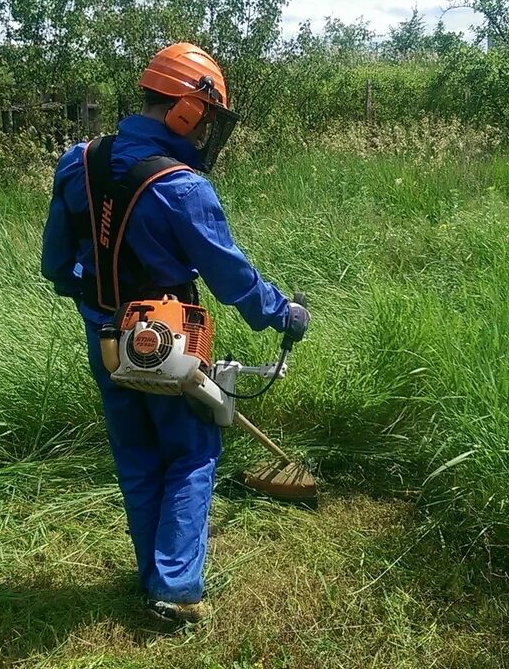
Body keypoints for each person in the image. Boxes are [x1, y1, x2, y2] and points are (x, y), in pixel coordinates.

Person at [39, 42, 310, 625]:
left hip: (107, 340)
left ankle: (152, 574)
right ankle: (175, 588)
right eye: (205, 118)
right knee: (189, 454)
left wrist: (99, 301)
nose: (206, 131)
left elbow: (56, 267)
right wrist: (282, 314)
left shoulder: (77, 161)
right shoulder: (182, 187)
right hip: (171, 343)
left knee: (136, 455)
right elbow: (231, 275)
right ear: (185, 111)